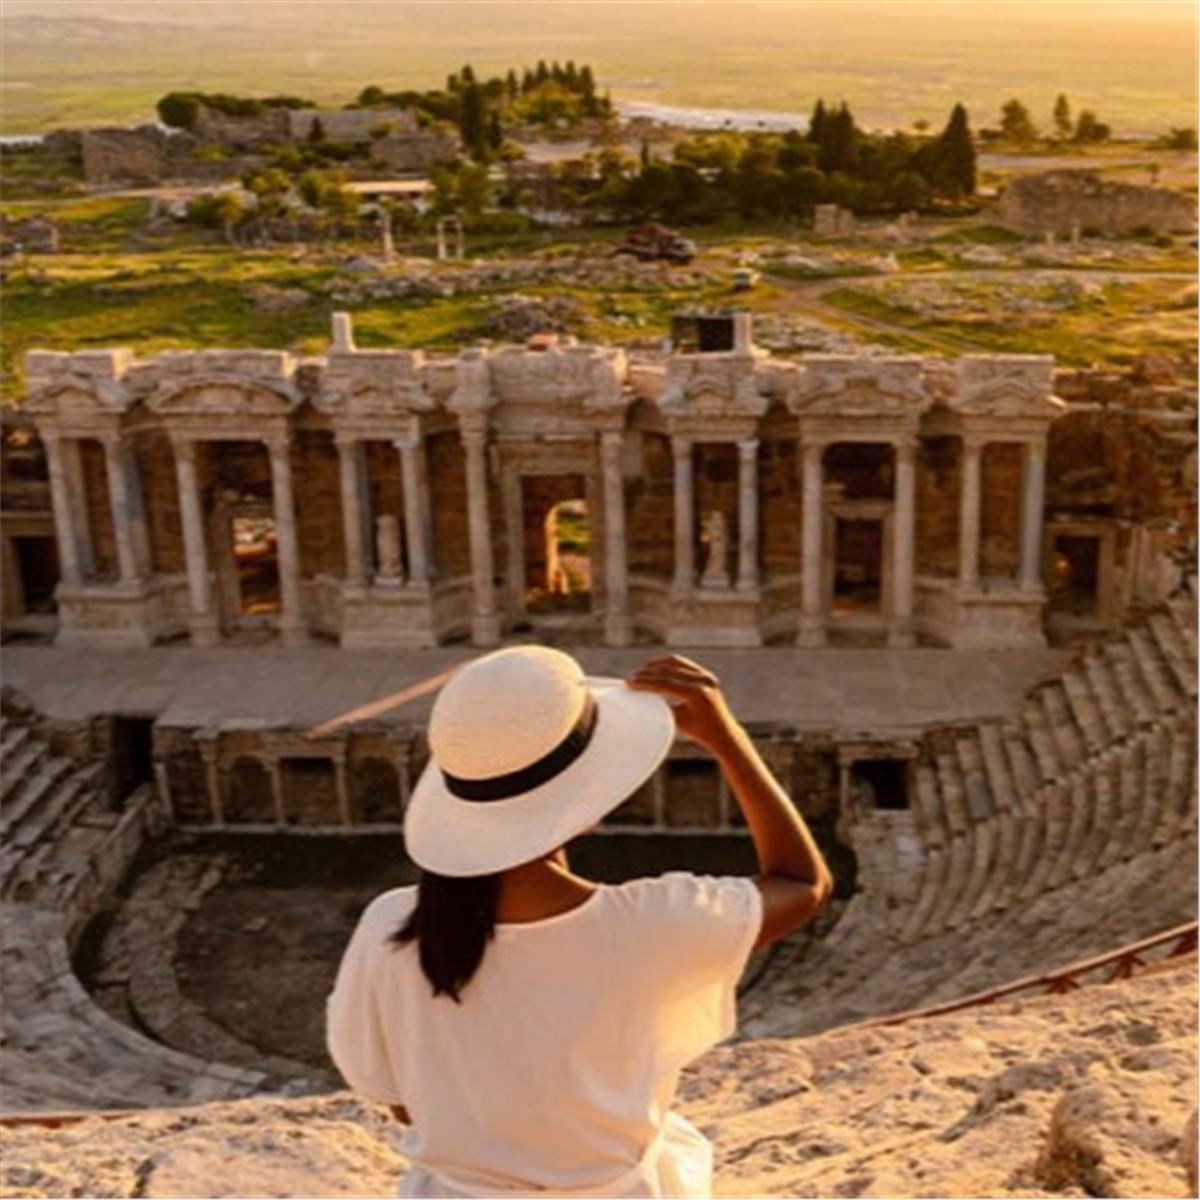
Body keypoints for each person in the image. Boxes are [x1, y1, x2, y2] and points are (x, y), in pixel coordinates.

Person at [326, 646, 833, 1199]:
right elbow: (802, 882)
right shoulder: (655, 925)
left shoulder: (388, 927)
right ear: (588, 803)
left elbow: (399, 1102)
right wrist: (726, 739)